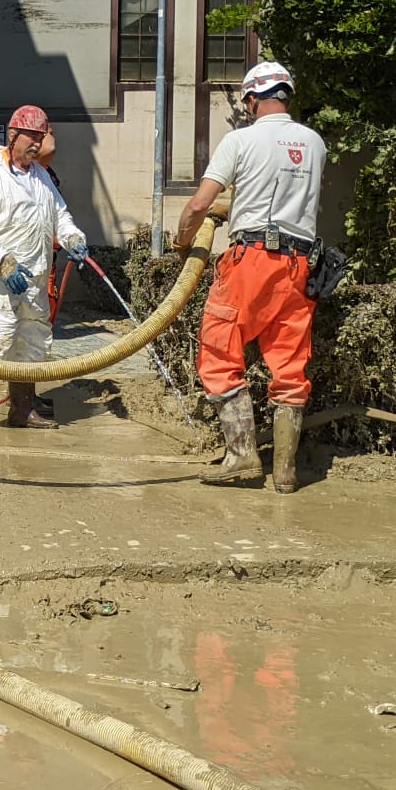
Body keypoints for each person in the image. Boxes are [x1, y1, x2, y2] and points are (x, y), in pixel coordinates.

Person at [172, 61, 326, 493]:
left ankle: (241, 456)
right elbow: (277, 196)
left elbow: (200, 204)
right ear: (287, 95)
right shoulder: (314, 143)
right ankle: (285, 472)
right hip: (300, 265)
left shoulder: (240, 139)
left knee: (220, 349)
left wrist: (184, 239)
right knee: (290, 365)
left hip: (252, 260)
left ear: (253, 99)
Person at [0, 105, 89, 432]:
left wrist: (72, 237)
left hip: (33, 275)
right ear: (13, 135)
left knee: (31, 342)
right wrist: (3, 262)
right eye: (31, 136)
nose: (36, 144)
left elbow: (61, 215)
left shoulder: (41, 176)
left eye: (40, 137)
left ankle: (22, 408)